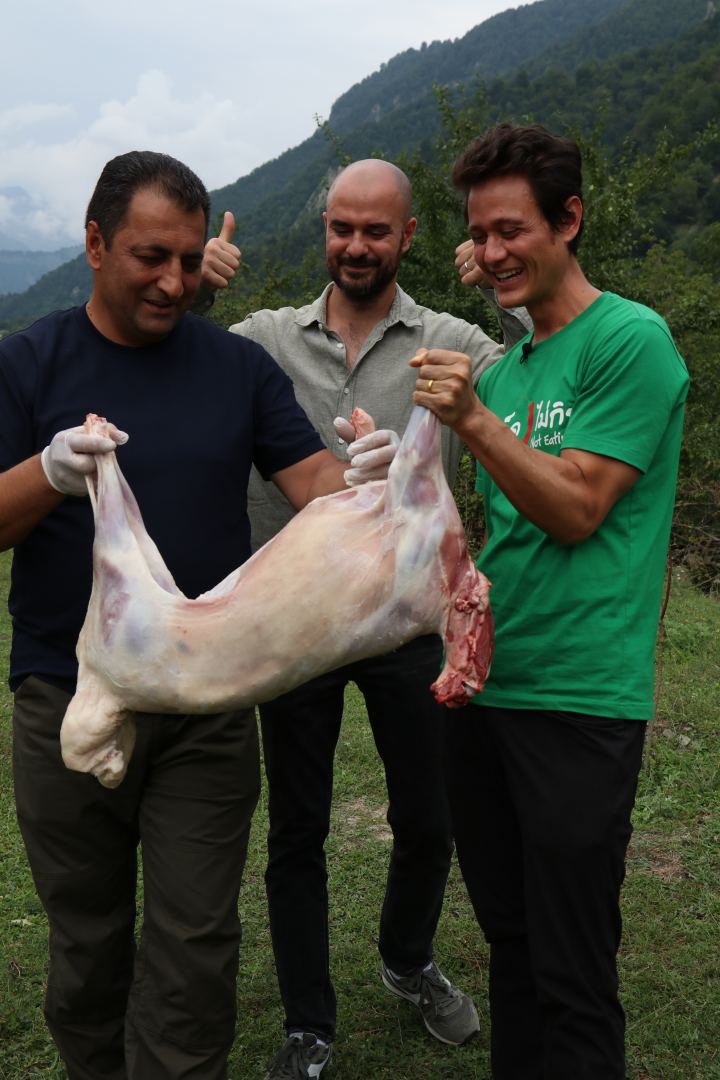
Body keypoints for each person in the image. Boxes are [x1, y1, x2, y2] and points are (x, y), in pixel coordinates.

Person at [0, 150, 395, 1080]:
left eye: (187, 259)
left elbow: (313, 483)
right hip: (67, 691)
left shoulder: (236, 367)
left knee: (196, 937)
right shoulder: (27, 360)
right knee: (87, 936)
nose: (174, 281)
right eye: (150, 256)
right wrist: (49, 473)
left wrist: (369, 476)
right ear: (95, 244)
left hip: (208, 701)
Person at [200, 158, 529, 1079]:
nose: (354, 246)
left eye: (374, 231)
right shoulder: (263, 335)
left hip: (405, 623)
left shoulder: (453, 336)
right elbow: (174, 365)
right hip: (296, 624)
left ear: (409, 236)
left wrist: (507, 290)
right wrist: (191, 287)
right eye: (341, 228)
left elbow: (543, 370)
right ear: (326, 231)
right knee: (297, 829)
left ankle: (408, 957)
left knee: (430, 816)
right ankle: (310, 1021)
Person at [410, 123, 690, 1080]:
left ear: (569, 220)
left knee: (573, 970)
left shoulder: (630, 341)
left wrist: (474, 420)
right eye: (478, 235)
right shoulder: (517, 361)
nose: (490, 255)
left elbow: (575, 509)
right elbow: (514, 531)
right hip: (487, 691)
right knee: (513, 946)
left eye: (511, 231)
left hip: (578, 699)